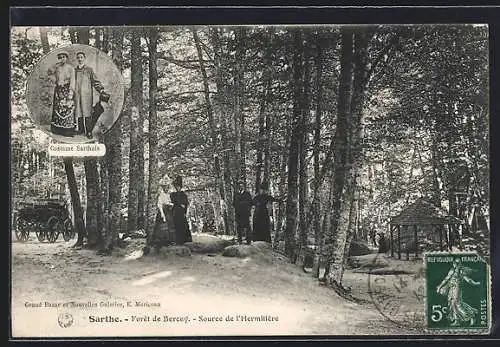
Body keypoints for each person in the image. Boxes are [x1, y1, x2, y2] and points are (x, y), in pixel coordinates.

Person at [74, 51, 108, 139]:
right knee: (79, 111)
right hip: (77, 94)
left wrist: (100, 89)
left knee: (87, 112)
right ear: (76, 59)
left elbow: (95, 81)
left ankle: (88, 131)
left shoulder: (89, 70)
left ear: (84, 59)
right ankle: (81, 130)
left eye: (81, 57)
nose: (80, 59)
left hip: (86, 95)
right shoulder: (74, 70)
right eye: (78, 58)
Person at [436, 258, 480, 326]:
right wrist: (440, 286)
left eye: (457, 263)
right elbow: (446, 279)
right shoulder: (452, 270)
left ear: (459, 263)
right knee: (451, 304)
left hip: (457, 289)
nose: (456, 264)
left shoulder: (462, 271)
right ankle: (457, 320)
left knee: (457, 304)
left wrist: (475, 283)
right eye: (455, 263)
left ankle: (471, 317)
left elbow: (467, 279)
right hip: (451, 289)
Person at [48, 50, 76, 136]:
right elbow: (49, 73)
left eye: (64, 57)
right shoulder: (57, 67)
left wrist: (71, 92)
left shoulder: (70, 68)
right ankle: (57, 130)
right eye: (60, 57)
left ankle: (68, 131)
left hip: (67, 89)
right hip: (59, 90)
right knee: (58, 108)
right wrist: (55, 81)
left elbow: (72, 80)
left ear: (67, 58)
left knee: (67, 108)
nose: (62, 59)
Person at [170, 176, 192, 245]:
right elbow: (173, 202)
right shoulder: (173, 194)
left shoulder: (183, 195)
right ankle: (177, 240)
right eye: (176, 186)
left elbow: (185, 204)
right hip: (175, 212)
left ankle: (183, 240)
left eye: (178, 186)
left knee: (182, 225)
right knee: (176, 225)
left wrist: (184, 210)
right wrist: (178, 204)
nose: (177, 188)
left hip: (181, 213)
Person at [233, 179, 253, 244]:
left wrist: (244, 205)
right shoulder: (236, 194)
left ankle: (248, 241)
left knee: (247, 227)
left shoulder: (247, 194)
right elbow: (234, 203)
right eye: (239, 185)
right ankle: (240, 241)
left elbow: (251, 202)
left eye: (242, 185)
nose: (240, 186)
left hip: (245, 213)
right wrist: (238, 207)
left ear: (244, 186)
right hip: (238, 213)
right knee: (239, 227)